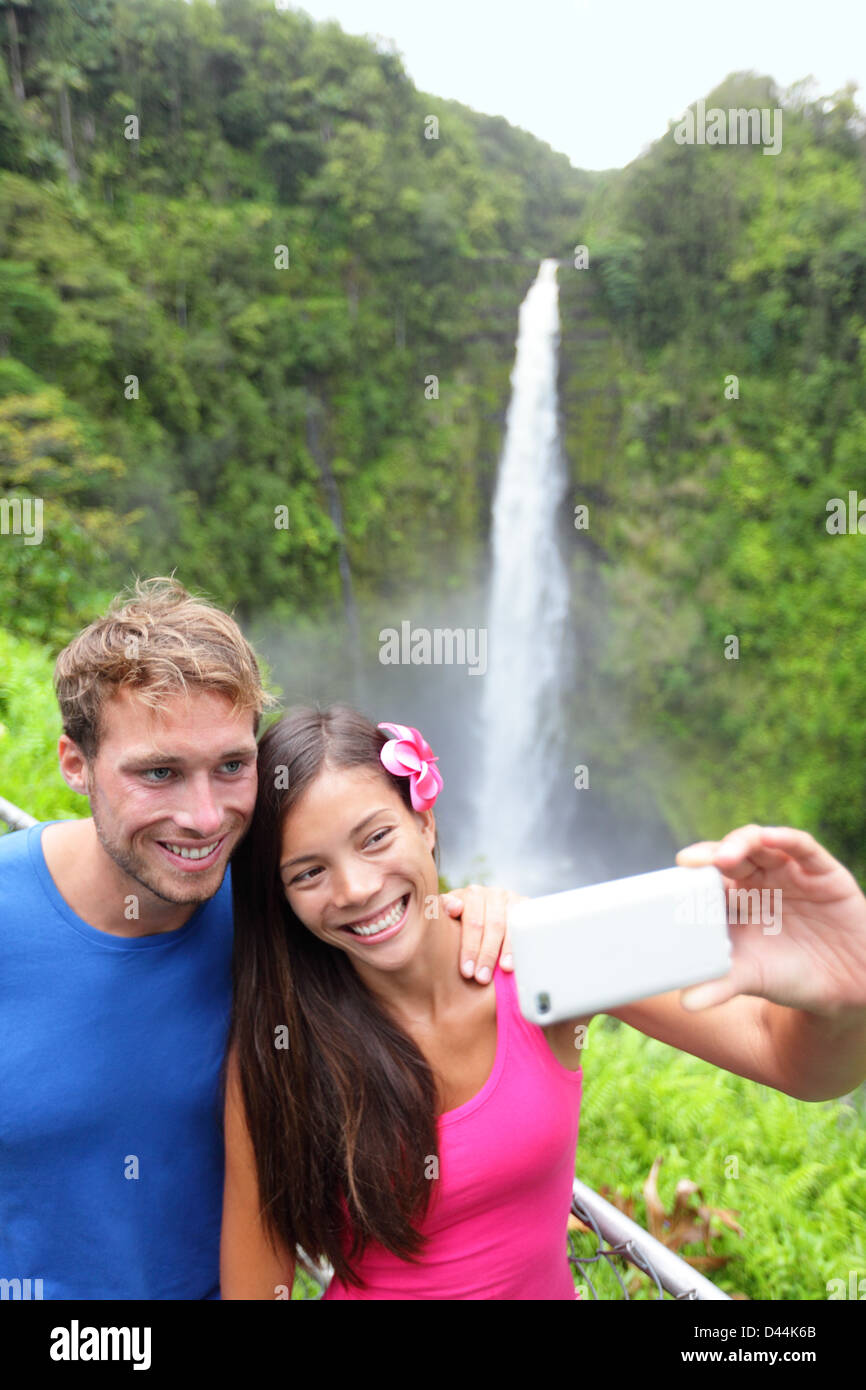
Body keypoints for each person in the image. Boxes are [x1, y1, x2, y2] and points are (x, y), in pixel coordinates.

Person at [220, 705, 866, 1300]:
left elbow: (792, 1063)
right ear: (281, 896)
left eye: (376, 838)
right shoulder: (281, 1051)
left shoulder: (544, 954)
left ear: (424, 820)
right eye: (308, 872)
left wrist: (846, 992)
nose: (357, 888)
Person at [0, 577, 511, 1300]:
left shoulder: (290, 912)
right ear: (75, 764)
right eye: (160, 773)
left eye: (232, 767)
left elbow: (397, 922)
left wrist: (491, 911)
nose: (206, 819)